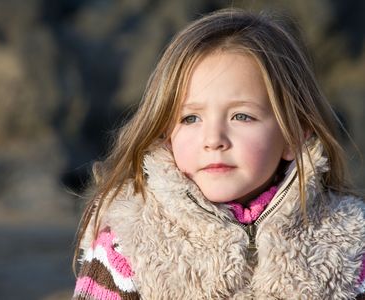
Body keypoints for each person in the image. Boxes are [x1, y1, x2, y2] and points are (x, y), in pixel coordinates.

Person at [72, 8, 365, 299]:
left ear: (293, 136)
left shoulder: (351, 241)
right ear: (165, 134)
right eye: (190, 118)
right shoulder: (128, 243)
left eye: (241, 116)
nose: (213, 140)